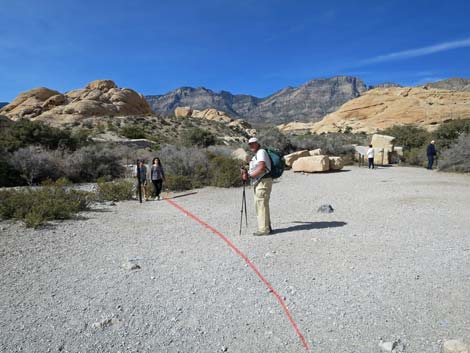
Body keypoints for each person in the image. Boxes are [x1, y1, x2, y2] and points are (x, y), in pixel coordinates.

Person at [241, 137, 273, 236]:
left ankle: (264, 229)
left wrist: (249, 175)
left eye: (253, 143)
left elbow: (262, 168)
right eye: (250, 144)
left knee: (261, 205)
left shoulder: (261, 152)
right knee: (262, 204)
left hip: (263, 182)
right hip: (261, 181)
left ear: (257, 143)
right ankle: (267, 227)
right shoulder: (257, 154)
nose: (251, 146)